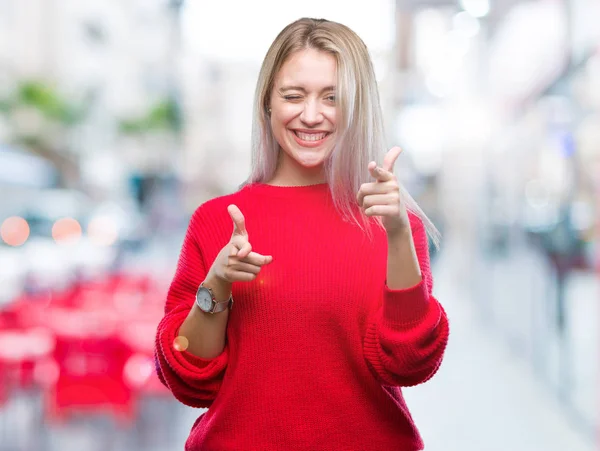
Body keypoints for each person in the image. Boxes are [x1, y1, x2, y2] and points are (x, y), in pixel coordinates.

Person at [155, 17, 449, 451]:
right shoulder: (216, 220)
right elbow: (188, 378)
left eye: (333, 98)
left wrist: (399, 234)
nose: (312, 115)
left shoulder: (391, 221)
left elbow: (409, 363)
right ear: (267, 103)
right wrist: (217, 283)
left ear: (356, 107)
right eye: (294, 96)